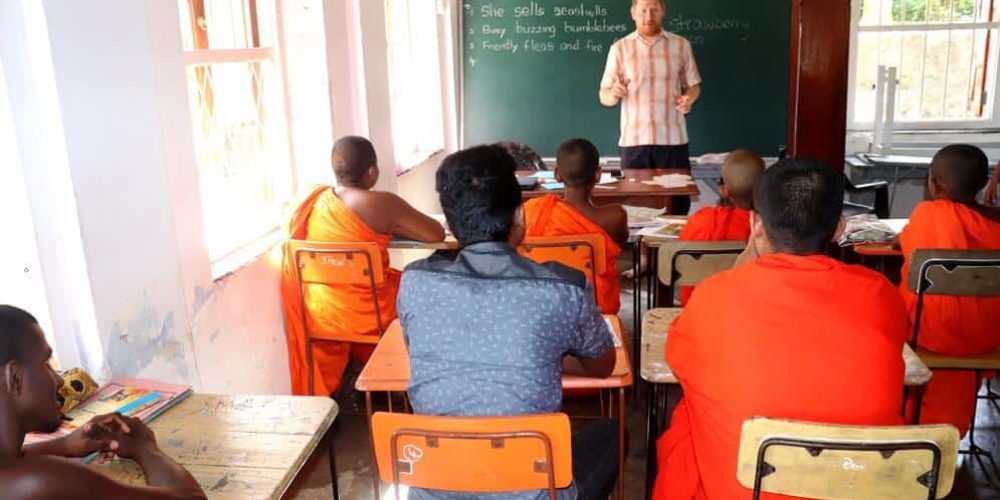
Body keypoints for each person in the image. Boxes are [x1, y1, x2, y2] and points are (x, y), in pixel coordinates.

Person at [653, 158, 909, 500]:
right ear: (839, 229)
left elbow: (679, 359)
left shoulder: (714, 296)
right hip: (853, 485)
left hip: (746, 488)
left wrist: (750, 252)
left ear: (755, 223)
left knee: (690, 418)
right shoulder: (880, 293)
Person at [398, 145, 619, 500]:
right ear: (520, 217)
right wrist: (547, 354)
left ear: (451, 223)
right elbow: (603, 365)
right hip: (532, 490)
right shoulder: (562, 288)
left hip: (437, 486)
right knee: (610, 432)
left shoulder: (414, 283)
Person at [280, 136, 445, 396]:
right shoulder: (382, 203)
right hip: (371, 313)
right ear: (372, 171)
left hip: (324, 311)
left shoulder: (315, 203)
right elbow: (434, 233)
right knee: (424, 283)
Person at [0, 305, 206, 500]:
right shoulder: (41, 483)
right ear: (15, 378)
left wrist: (65, 445)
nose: (59, 379)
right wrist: (144, 447)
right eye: (46, 364)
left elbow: (16, 456)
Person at [895, 145, 1000, 435]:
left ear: (933, 183)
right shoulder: (993, 227)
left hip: (926, 335)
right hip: (985, 337)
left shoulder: (928, 216)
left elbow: (906, 243)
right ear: (981, 184)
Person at [599, 0, 702, 215]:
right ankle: (641, 249)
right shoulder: (620, 49)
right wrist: (614, 94)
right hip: (634, 143)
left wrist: (689, 99)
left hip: (673, 140)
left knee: (678, 204)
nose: (649, 15)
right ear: (633, 13)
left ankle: (671, 248)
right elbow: (604, 95)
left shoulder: (681, 45)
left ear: (663, 11)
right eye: (643, 10)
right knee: (636, 207)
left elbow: (693, 85)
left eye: (654, 9)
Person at [523, 138, 628, 315]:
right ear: (598, 174)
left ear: (557, 174)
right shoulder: (614, 216)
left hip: (542, 306)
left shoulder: (531, 212)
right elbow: (623, 241)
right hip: (594, 309)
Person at [676, 149, 765, 304]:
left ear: (725, 190)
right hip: (749, 311)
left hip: (697, 310)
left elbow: (677, 257)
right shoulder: (771, 232)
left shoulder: (702, 220)